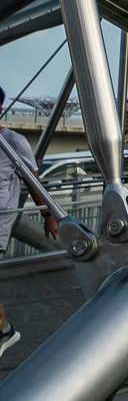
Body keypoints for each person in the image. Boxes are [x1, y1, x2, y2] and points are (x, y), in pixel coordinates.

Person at [0, 89, 59, 358]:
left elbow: (33, 183)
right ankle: (3, 329)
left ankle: (5, 331)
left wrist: (48, 215)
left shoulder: (13, 141)